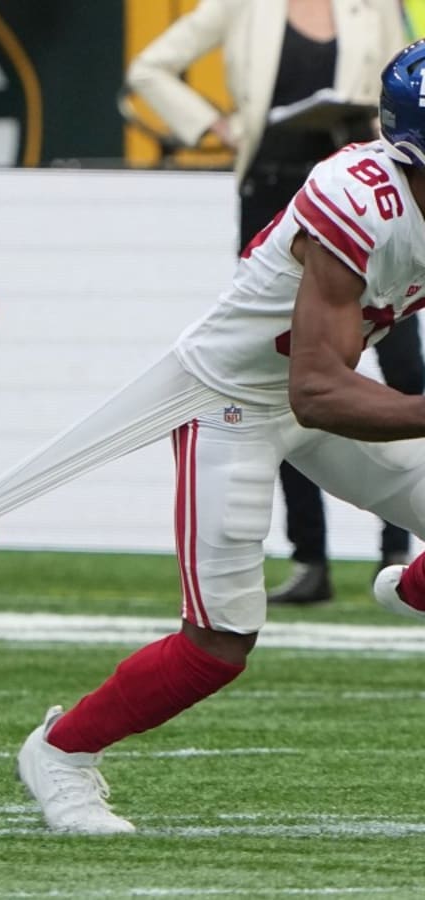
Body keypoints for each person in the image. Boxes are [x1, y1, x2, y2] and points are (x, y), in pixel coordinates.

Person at [0, 39, 425, 835]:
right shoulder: (361, 199)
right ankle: (61, 751)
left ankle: (414, 584)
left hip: (325, 389)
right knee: (218, 645)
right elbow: (318, 389)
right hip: (233, 402)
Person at [126, 0, 421, 605]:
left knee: (402, 366)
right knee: (278, 368)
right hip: (281, 185)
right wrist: (219, 126)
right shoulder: (241, 6)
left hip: (391, 194)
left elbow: (403, 90)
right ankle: (310, 555)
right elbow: (150, 69)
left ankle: (397, 549)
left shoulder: (375, 8)